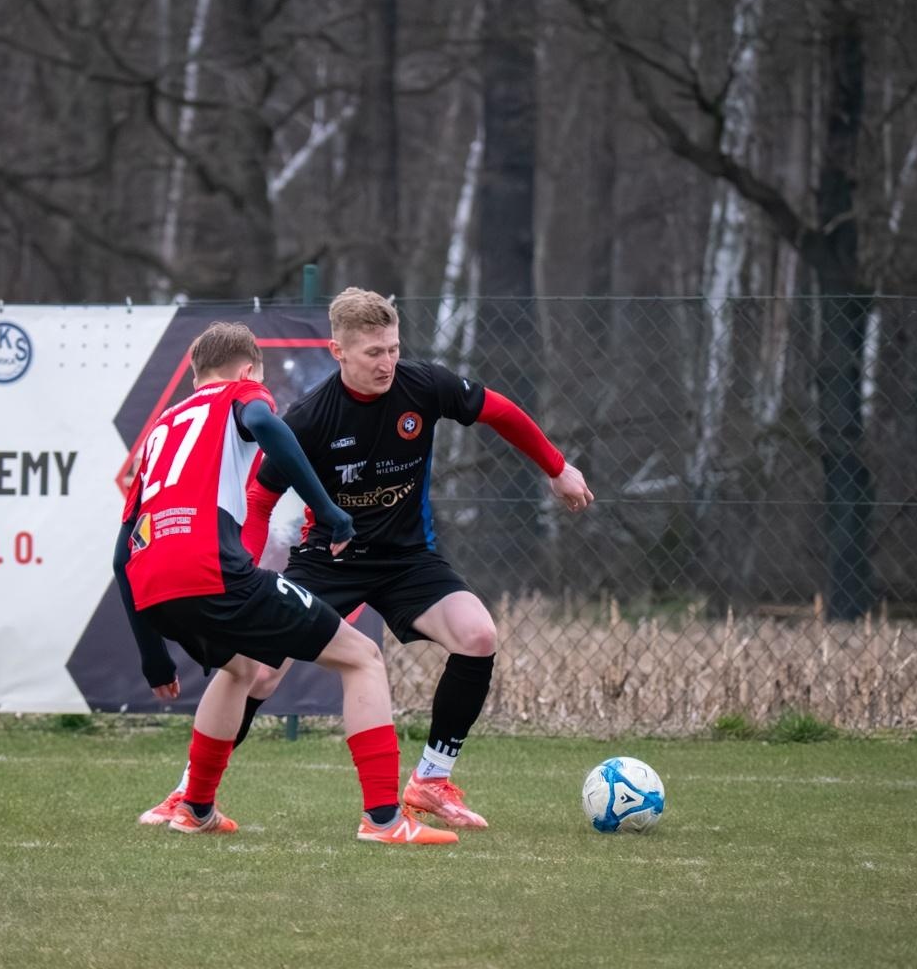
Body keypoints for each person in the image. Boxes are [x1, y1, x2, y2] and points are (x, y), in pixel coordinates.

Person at [140, 289, 595, 829]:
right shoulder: (310, 417)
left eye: (393, 349)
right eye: (373, 353)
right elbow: (260, 499)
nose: (387, 363)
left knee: (478, 636)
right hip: (328, 562)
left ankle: (429, 781)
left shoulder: (424, 386)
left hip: (408, 560)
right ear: (338, 351)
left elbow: (499, 410)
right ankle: (189, 793)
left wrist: (557, 467)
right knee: (257, 673)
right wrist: (248, 569)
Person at [114, 320, 458, 845]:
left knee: (241, 668)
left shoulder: (163, 426)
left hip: (153, 582)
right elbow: (267, 425)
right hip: (212, 570)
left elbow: (121, 558)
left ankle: (194, 808)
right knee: (362, 657)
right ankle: (385, 820)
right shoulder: (242, 391)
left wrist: (152, 656)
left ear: (194, 376)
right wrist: (330, 511)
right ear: (248, 369)